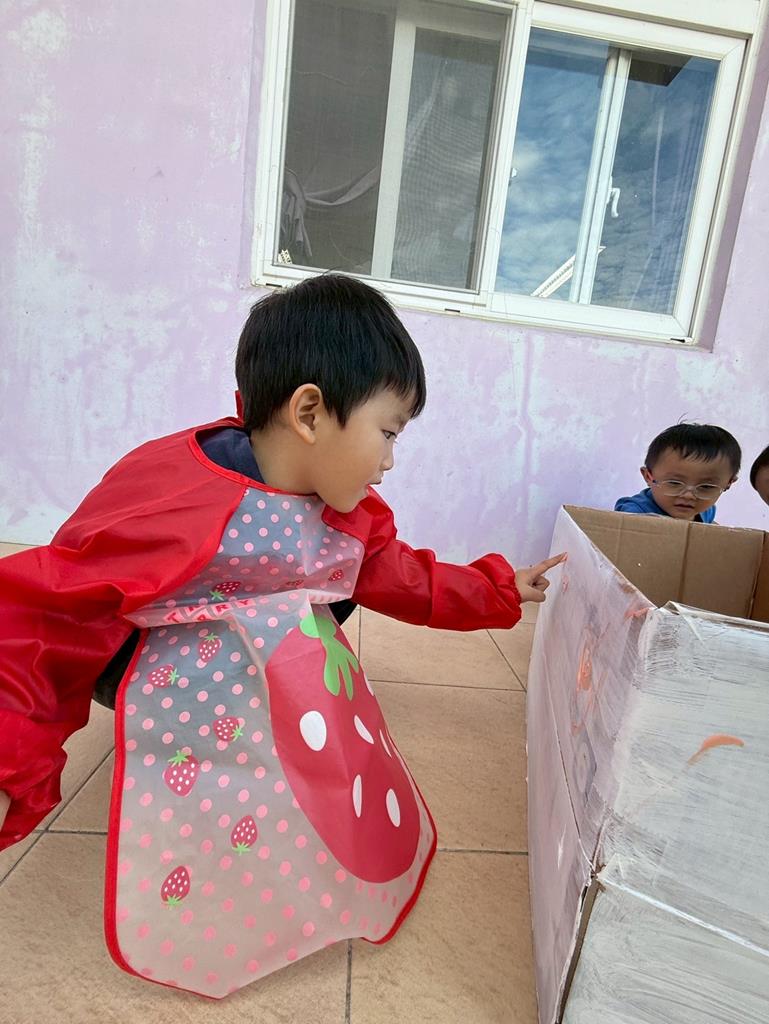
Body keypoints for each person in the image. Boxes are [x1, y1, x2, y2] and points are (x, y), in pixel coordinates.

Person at [0, 273, 564, 998]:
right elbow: (48, 621)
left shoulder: (341, 514)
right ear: (309, 412)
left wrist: (495, 588)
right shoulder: (174, 503)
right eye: (389, 432)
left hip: (243, 640)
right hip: (138, 656)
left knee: (334, 594)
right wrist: (14, 763)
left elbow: (395, 572)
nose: (391, 459)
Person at [614, 423, 741, 523]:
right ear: (648, 476)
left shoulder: (706, 510)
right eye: (674, 483)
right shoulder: (634, 512)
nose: (688, 496)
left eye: (706, 487)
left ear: (728, 483)